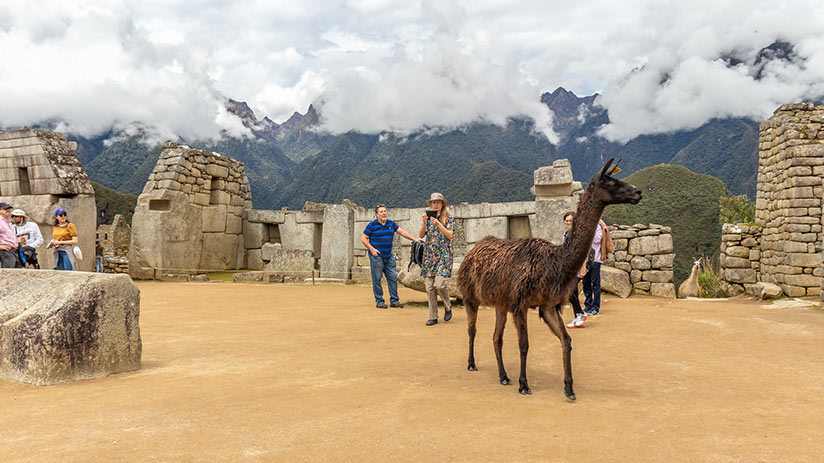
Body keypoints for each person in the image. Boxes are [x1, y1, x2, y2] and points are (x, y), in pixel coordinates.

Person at [361, 204, 421, 309]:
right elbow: (363, 238)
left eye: (385, 211)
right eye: (381, 212)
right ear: (377, 214)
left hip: (388, 256)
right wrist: (372, 249)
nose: (384, 213)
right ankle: (379, 301)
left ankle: (394, 301)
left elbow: (402, 232)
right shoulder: (372, 225)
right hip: (377, 256)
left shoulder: (391, 224)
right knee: (377, 279)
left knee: (393, 278)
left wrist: (414, 239)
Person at [418, 192, 455, 326]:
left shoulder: (449, 218)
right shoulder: (428, 218)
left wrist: (439, 224)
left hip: (444, 255)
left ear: (442, 204)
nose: (436, 204)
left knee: (439, 284)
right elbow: (421, 235)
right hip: (429, 255)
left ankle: (448, 305)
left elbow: (450, 235)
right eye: (433, 202)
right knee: (429, 287)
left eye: (438, 202)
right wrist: (423, 223)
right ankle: (433, 316)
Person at [582, 216, 613, 316]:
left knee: (595, 284)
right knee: (586, 283)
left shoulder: (597, 227)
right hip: (585, 261)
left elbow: (596, 239)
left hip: (595, 259)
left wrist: (588, 231)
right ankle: (588, 306)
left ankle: (595, 307)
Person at [563, 212, 589, 328]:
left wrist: (583, 269)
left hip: (579, 266)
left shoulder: (579, 234)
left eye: (570, 220)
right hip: (570, 266)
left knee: (570, 290)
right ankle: (578, 316)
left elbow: (583, 252)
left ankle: (581, 314)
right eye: (566, 220)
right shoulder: (566, 233)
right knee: (572, 292)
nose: (568, 222)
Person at [0, 202, 22, 268]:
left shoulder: (8, 222)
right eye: (5, 208)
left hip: (14, 250)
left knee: (18, 273)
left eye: (9, 208)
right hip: (5, 251)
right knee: (8, 273)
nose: (8, 210)